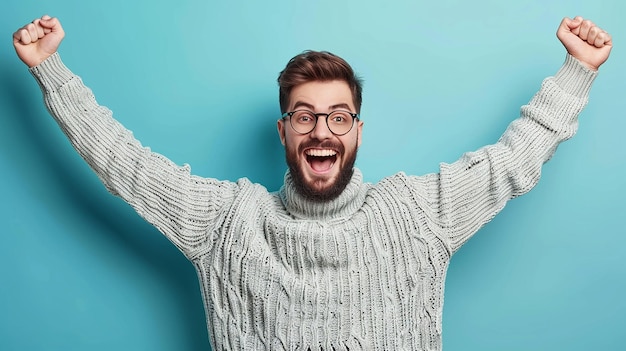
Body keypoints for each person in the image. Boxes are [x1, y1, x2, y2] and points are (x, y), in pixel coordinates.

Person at [12, 14, 612, 351]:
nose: (320, 130)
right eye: (304, 115)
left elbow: (512, 163)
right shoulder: (227, 221)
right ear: (283, 132)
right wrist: (51, 72)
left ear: (356, 131)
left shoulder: (412, 215)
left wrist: (576, 72)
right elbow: (127, 165)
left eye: (337, 116)